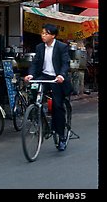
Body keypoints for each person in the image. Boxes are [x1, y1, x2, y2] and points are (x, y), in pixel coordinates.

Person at [24, 23, 73, 151]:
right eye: (42, 33)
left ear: (53, 35)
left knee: (57, 105)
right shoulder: (40, 47)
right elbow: (35, 63)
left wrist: (61, 75)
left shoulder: (62, 47)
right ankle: (36, 113)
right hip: (44, 76)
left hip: (56, 78)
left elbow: (65, 63)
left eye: (46, 33)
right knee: (33, 91)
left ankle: (61, 136)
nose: (43, 35)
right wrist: (30, 74)